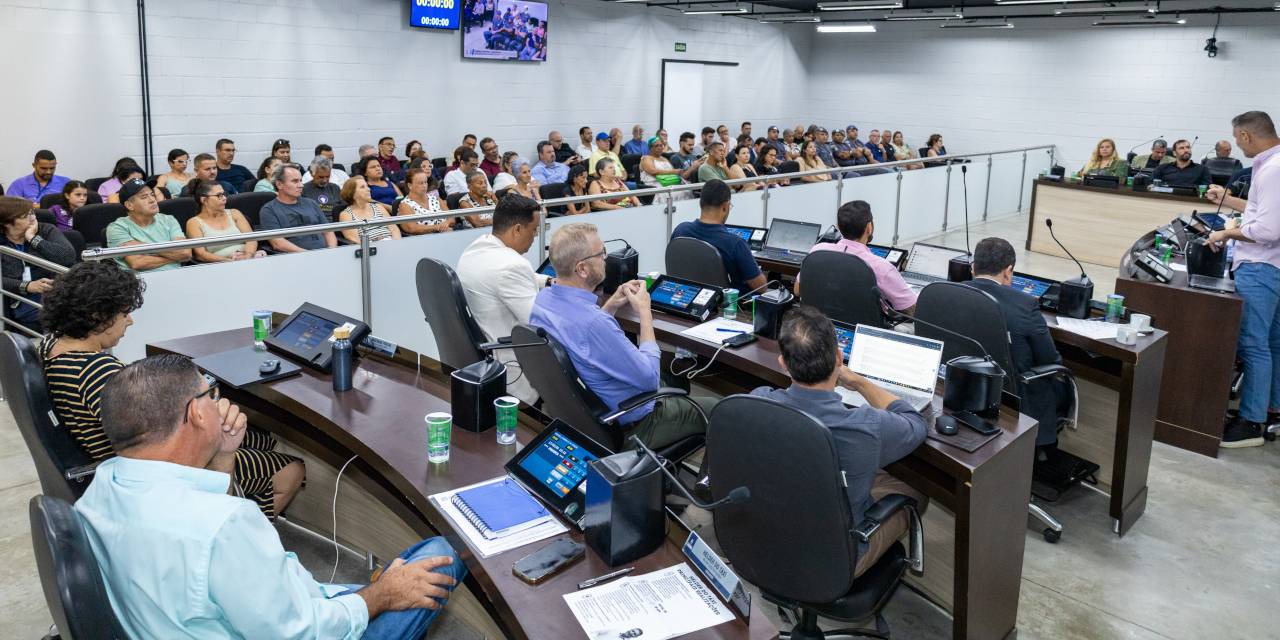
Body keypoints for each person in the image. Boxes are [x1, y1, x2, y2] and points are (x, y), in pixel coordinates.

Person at [73, 352, 460, 638]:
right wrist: (380, 598)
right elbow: (300, 634)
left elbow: (207, 530)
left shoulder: (101, 488)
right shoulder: (223, 528)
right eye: (209, 394)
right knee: (447, 549)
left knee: (403, 573)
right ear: (195, 414)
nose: (216, 402)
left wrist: (224, 457)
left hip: (222, 617)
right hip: (304, 629)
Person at [748, 305, 928, 578]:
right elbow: (914, 423)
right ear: (839, 357)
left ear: (783, 363)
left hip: (771, 534)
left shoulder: (757, 401)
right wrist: (860, 383)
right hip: (835, 557)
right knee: (916, 490)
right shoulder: (865, 425)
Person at [531, 223, 713, 450]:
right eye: (600, 253)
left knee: (677, 381)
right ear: (582, 269)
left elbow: (583, 343)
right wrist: (645, 312)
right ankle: (705, 484)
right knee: (722, 410)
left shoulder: (543, 301)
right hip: (634, 424)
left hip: (582, 416)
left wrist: (611, 305)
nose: (606, 257)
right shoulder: (595, 324)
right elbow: (650, 380)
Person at [1204, 111, 1280, 447]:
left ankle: (1251, 422)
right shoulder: (1273, 164)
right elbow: (1261, 211)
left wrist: (1225, 233)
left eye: (1237, 139)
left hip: (1261, 266)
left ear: (1247, 136)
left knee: (1254, 346)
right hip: (1272, 267)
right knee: (1272, 344)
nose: (1237, 145)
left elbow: (1266, 229)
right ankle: (1270, 408)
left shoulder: (1274, 169)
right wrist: (1227, 202)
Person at [966, 238, 1070, 451]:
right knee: (1064, 386)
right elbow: (1050, 360)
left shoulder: (952, 292)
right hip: (1015, 396)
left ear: (974, 268)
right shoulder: (1025, 304)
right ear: (1008, 271)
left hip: (967, 387)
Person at [457, 194, 548, 405]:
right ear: (517, 229)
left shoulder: (478, 248)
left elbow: (499, 276)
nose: (535, 236)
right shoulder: (514, 264)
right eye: (534, 229)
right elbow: (539, 326)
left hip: (481, 359)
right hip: (513, 372)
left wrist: (549, 281)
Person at [805, 200, 917, 313]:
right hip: (865, 328)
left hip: (823, 324)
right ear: (869, 228)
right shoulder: (881, 267)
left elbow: (797, 290)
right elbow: (912, 311)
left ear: (838, 226)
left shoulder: (817, 251)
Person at [670, 180, 766, 293]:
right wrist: (755, 273)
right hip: (729, 306)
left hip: (686, 298)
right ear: (726, 206)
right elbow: (761, 288)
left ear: (700, 203)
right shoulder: (736, 243)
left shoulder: (680, 230)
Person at [0, 196, 75, 333]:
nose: (32, 218)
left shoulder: (46, 230)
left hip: (56, 291)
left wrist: (34, 240)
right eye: (25, 216)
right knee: (58, 317)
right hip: (21, 299)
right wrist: (27, 286)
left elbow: (68, 257)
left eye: (32, 212)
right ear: (7, 222)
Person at [106, 179, 190, 272]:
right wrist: (175, 257)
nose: (152, 200)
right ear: (129, 205)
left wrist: (142, 247)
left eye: (152, 195)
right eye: (144, 197)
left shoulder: (168, 220)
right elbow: (136, 262)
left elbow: (185, 253)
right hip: (139, 282)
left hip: (176, 276)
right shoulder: (117, 228)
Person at [183, 179, 266, 262]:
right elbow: (200, 255)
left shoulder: (234, 213)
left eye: (224, 194)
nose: (224, 198)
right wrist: (228, 261)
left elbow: (251, 239)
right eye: (219, 195)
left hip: (247, 259)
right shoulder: (194, 223)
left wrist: (248, 255)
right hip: (219, 265)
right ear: (204, 200)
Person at [261, 164, 338, 252]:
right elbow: (277, 243)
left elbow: (328, 232)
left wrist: (332, 252)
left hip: (325, 255)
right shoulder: (269, 210)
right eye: (295, 181)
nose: (301, 185)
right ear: (279, 184)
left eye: (300, 181)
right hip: (295, 259)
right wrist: (308, 255)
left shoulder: (311, 203)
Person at [338, 176, 401, 244]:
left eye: (367, 186)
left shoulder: (378, 206)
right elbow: (355, 240)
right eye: (362, 187)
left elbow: (394, 229)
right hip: (370, 250)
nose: (368, 189)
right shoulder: (346, 214)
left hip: (390, 243)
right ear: (352, 193)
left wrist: (395, 245)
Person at [398, 168, 455, 234]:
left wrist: (446, 223)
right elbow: (412, 228)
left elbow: (451, 218)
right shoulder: (405, 205)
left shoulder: (436, 199)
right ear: (410, 185)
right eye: (420, 183)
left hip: (448, 232)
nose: (424, 186)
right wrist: (438, 227)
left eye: (425, 182)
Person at [640, 137, 690, 201]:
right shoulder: (646, 158)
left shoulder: (664, 159)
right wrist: (672, 172)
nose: (660, 148)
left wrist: (683, 180)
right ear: (651, 148)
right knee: (675, 193)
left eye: (661, 145)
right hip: (655, 184)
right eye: (656, 146)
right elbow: (652, 171)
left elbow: (674, 173)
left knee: (686, 189)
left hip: (669, 182)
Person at [302, 156, 344, 221]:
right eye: (321, 177)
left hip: (335, 225)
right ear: (311, 173)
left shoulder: (335, 188)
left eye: (327, 176)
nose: (325, 180)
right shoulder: (303, 190)